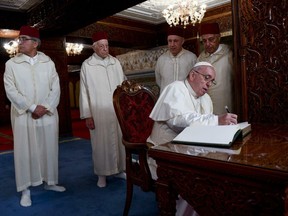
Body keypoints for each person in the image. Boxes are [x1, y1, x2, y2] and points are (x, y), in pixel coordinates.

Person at [147, 61, 237, 216]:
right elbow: (178, 122)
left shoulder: (206, 98)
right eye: (207, 78)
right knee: (202, 182)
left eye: (212, 81)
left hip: (189, 151)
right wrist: (216, 121)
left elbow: (204, 128)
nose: (209, 84)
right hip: (166, 152)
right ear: (193, 74)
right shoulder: (175, 88)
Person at [3, 25, 65, 207]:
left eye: (24, 39)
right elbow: (10, 90)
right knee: (25, 152)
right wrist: (31, 107)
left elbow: (56, 87)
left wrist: (44, 107)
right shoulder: (11, 64)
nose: (19, 42)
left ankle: (50, 182)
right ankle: (25, 190)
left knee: (48, 148)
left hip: (47, 114)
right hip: (24, 116)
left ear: (35, 43)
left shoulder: (48, 62)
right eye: (19, 39)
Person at [79, 31, 126, 188]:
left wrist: (125, 107)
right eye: (102, 46)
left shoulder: (116, 62)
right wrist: (87, 115)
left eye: (107, 45)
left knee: (119, 142)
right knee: (100, 144)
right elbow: (84, 92)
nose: (105, 49)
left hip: (116, 111)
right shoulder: (87, 65)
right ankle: (102, 175)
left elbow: (123, 85)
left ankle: (119, 170)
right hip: (98, 112)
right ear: (94, 47)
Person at [197, 22, 234, 115]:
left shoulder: (229, 54)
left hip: (225, 102)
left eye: (211, 39)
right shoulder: (200, 58)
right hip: (205, 104)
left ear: (219, 37)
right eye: (204, 41)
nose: (207, 44)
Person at [155, 26, 197, 93]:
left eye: (175, 41)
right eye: (170, 41)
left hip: (185, 98)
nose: (172, 44)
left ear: (182, 41)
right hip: (166, 98)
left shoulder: (191, 58)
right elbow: (159, 81)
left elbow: (196, 80)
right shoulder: (161, 59)